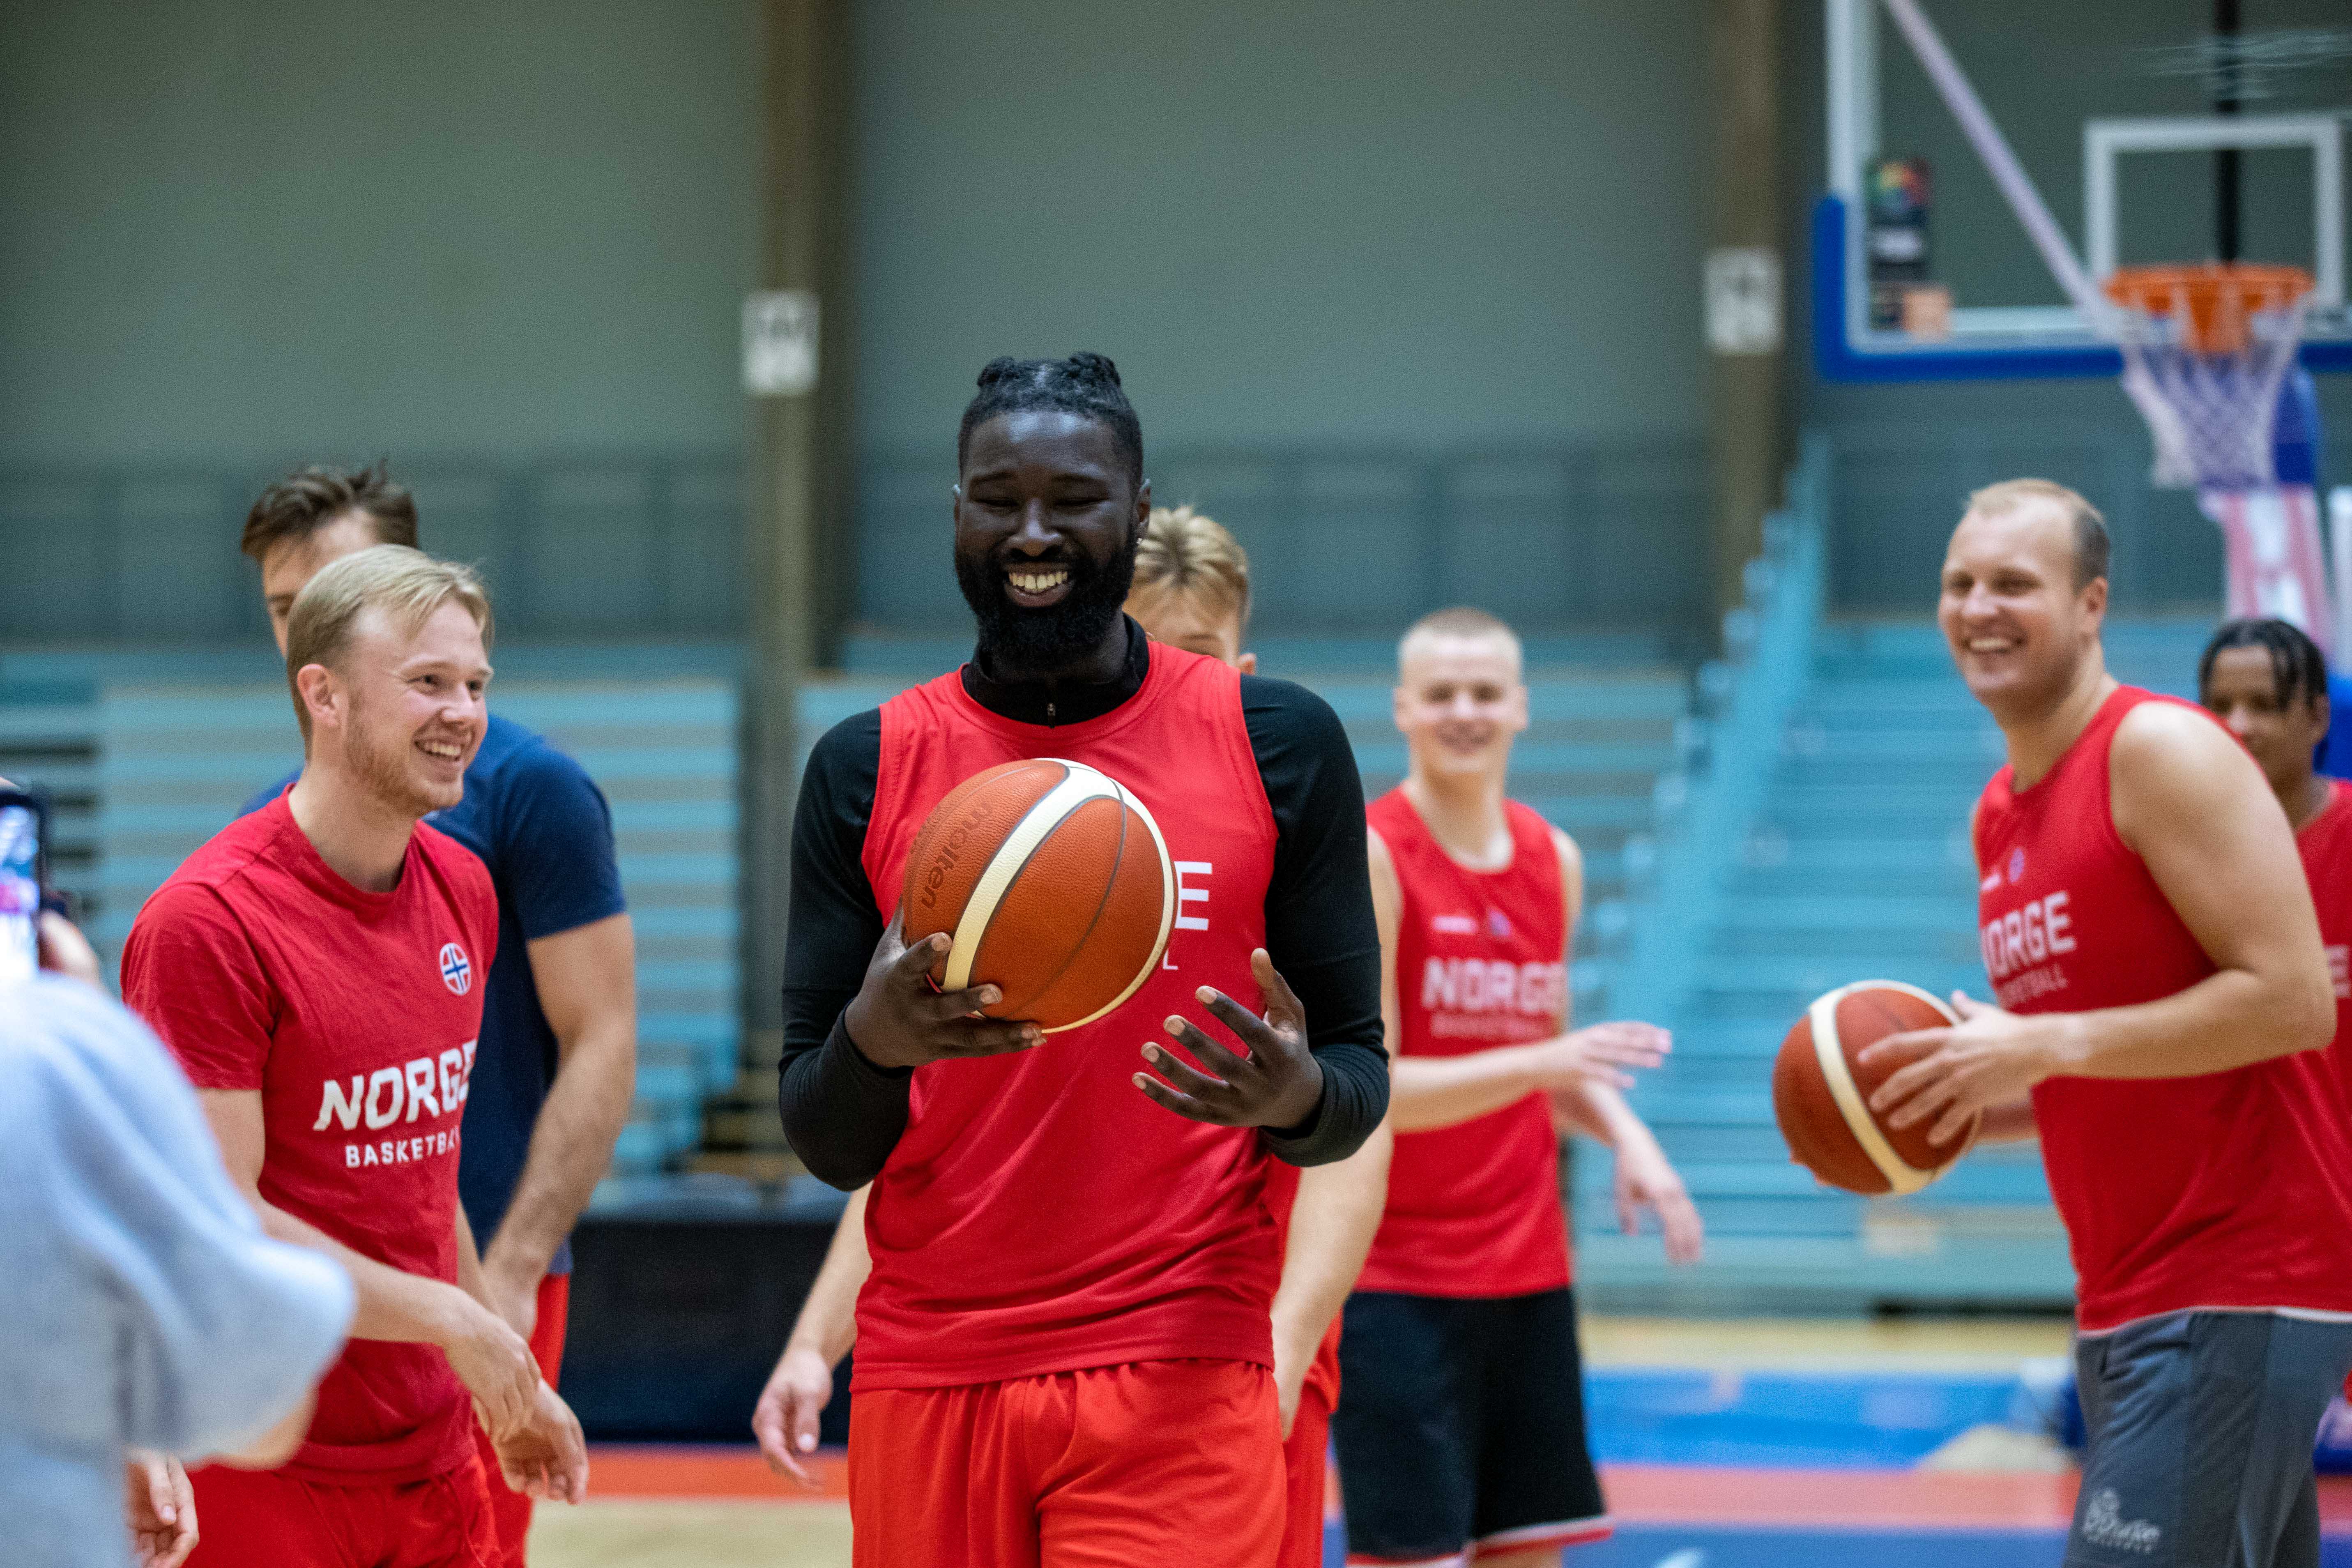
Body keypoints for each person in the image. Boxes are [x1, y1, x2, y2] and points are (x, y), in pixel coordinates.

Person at [775, 353, 1389, 1566]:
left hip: (1176, 1358)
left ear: (1137, 512)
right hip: (931, 1363)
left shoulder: (1281, 745)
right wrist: (874, 1043)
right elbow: (824, 1135)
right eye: (997, 498)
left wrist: (1295, 1096)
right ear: (954, 513)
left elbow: (1357, 1090)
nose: (1033, 530)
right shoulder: (863, 766)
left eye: (1074, 496)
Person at [1868, 481, 2352, 1568]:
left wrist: (2042, 1042)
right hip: (2127, 1290)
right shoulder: (1997, 809)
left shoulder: (2158, 753)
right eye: (1957, 583)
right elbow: (2108, 1058)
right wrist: (1936, 1108)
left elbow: (2289, 1000)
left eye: (2011, 584)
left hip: (2234, 1280)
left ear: (2090, 604)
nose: (1976, 606)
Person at [121, 547, 587, 1568]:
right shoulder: (207, 923)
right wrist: (460, 1322)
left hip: (429, 1453)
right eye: (426, 681)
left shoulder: (464, 885)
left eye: (474, 684)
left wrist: (495, 1378)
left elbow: (424, 1173)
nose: (463, 711)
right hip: (262, 1457)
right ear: (322, 694)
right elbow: (218, 1215)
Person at [239, 464, 635, 1563]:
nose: (308, 623)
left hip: (482, 1263)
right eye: (286, 606)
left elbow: (602, 1038)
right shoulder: (244, 861)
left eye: (341, 585)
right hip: (333, 1303)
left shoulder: (523, 797)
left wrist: (501, 1274)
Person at [1332, 607, 1700, 1568]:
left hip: (1529, 1270)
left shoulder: (1556, 859)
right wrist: (1549, 1065)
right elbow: (1373, 1087)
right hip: (1394, 1279)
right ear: (1403, 709)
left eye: (1485, 691)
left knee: (1531, 1552)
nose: (1465, 710)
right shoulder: (1374, 855)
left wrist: (1630, 1137)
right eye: (1442, 693)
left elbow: (1543, 1056)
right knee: (1413, 1556)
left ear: (1521, 708)